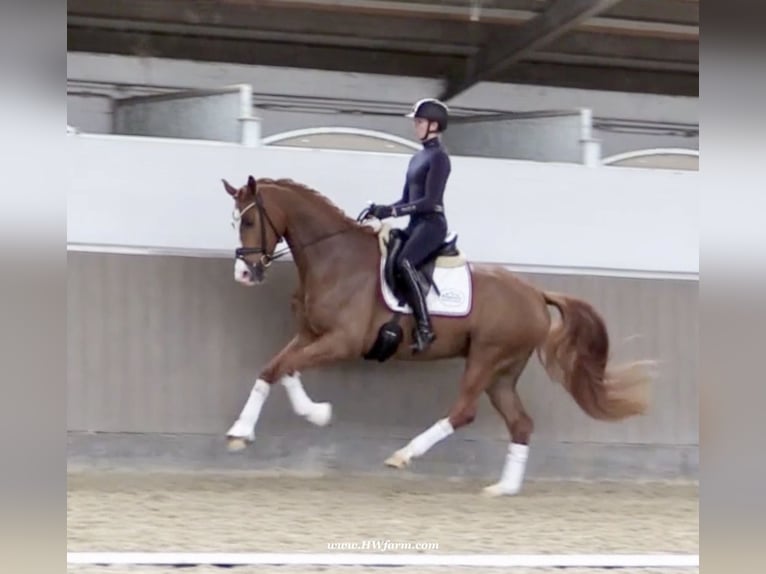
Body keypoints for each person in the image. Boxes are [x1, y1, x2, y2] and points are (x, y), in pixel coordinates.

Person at [367, 98, 452, 353]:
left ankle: (425, 328)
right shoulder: (417, 158)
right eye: (416, 122)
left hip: (432, 225)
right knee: (389, 254)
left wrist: (393, 211)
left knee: (405, 262)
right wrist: (382, 210)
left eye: (420, 122)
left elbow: (429, 201)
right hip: (416, 224)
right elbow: (407, 199)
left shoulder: (439, 158)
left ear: (434, 125)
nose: (416, 126)